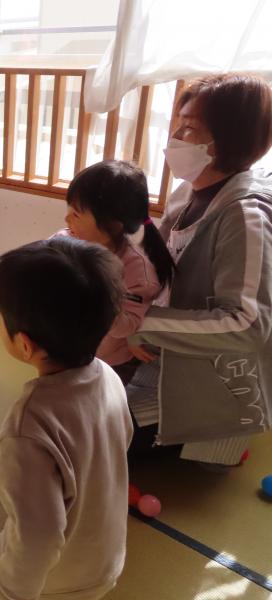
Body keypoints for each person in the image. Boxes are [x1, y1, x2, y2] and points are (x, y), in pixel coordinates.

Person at [0, 237, 132, 600]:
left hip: (54, 581)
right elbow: (121, 444)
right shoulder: (108, 376)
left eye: (2, 319)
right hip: (104, 562)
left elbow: (38, 538)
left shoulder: (29, 426)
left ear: (25, 345)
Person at [127, 74, 272, 467]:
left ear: (229, 139)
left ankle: (218, 447)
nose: (175, 136)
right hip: (166, 346)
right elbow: (156, 259)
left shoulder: (245, 216)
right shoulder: (187, 190)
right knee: (81, 404)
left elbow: (246, 325)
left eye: (189, 128)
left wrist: (142, 322)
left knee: (96, 434)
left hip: (213, 375)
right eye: (179, 123)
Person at [61, 160, 175, 385]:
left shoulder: (137, 271)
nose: (66, 219)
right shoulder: (63, 241)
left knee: (99, 404)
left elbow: (127, 326)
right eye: (68, 210)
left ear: (114, 224)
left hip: (109, 363)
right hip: (68, 350)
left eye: (76, 214)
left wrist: (95, 292)